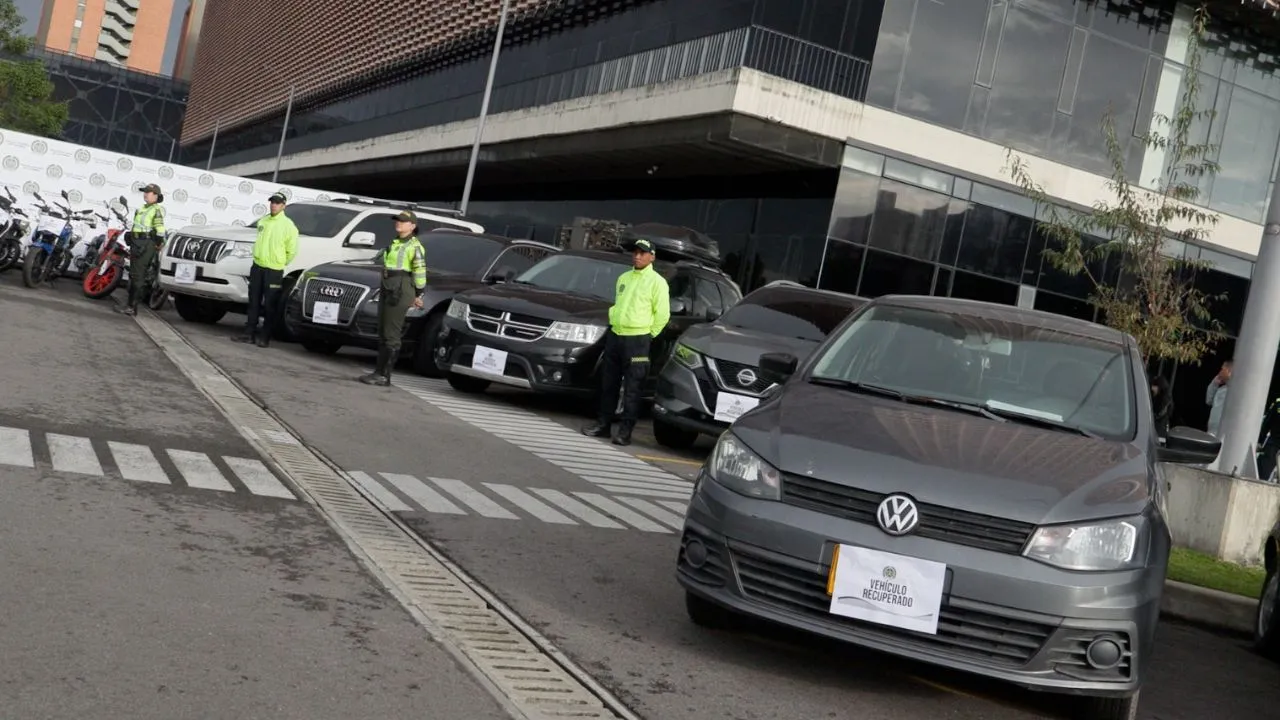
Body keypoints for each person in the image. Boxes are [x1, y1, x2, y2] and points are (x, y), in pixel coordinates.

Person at [581, 238, 671, 446]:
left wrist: (649, 335)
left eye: (642, 253)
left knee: (632, 388)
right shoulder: (623, 278)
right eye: (635, 252)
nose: (637, 256)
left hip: (638, 339)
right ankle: (603, 425)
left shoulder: (658, 282)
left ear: (652, 257)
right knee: (608, 384)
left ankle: (624, 432)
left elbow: (663, 315)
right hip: (616, 335)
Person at [359, 210, 426, 386]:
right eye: (397, 220)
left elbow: (420, 271)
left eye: (403, 221)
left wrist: (419, 294)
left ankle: (384, 375)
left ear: (412, 226)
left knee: (391, 333)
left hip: (401, 288)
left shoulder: (414, 246)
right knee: (383, 330)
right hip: (389, 286)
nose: (398, 223)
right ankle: (378, 372)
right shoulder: (396, 242)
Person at [233, 192, 299, 348]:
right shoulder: (263, 221)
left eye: (277, 203)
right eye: (272, 202)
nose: (273, 205)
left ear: (283, 206)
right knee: (253, 301)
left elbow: (292, 250)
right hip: (257, 266)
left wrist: (280, 262)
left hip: (274, 270)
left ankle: (264, 336)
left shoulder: (288, 226)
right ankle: (248, 334)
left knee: (270, 304)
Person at [117, 183, 166, 316]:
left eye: (148, 192)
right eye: (145, 192)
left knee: (138, 275)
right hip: (137, 242)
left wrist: (157, 243)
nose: (145, 194)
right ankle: (130, 305)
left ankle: (132, 307)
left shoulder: (156, 209)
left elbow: (160, 230)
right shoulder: (143, 208)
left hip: (146, 244)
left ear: (156, 195)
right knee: (134, 274)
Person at [1206, 359, 1232, 437]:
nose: (1220, 371)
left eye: (1222, 369)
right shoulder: (1221, 389)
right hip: (1212, 429)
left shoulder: (1235, 390)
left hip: (1224, 431)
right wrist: (1214, 383)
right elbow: (1208, 400)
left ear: (1229, 371)